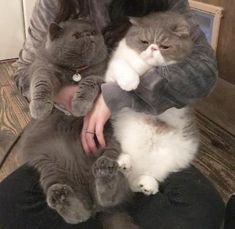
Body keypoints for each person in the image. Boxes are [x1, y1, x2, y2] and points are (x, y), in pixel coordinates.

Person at [0, 0, 225, 228]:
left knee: (202, 212)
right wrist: (61, 92)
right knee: (8, 208)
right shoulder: (54, 3)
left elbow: (204, 71)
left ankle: (103, 202)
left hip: (139, 133)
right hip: (69, 135)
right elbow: (24, 71)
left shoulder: (166, 3)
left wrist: (116, 95)